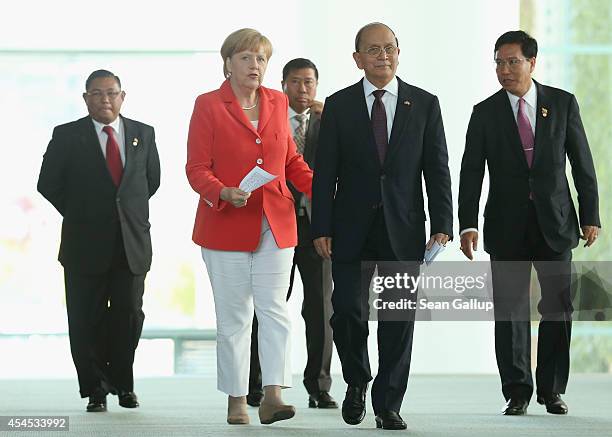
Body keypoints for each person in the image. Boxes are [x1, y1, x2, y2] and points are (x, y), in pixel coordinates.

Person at [311, 23, 453, 430]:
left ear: (398, 51)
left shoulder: (424, 104)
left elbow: (437, 168)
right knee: (347, 314)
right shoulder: (338, 105)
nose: (382, 56)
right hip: (349, 230)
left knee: (397, 322)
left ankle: (388, 403)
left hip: (403, 229)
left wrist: (443, 222)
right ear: (358, 59)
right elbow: (325, 174)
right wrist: (321, 225)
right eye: (372, 50)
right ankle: (356, 382)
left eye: (388, 48)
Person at [458, 30, 600, 416]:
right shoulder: (485, 112)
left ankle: (551, 390)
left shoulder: (562, 103)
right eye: (499, 63)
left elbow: (582, 165)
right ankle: (517, 391)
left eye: (513, 62)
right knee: (510, 310)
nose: (505, 70)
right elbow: (471, 172)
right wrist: (466, 223)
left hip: (555, 222)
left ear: (532, 62)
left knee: (558, 307)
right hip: (505, 226)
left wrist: (591, 216)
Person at [186, 28, 313, 425]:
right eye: (246, 58)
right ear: (227, 64)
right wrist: (221, 192)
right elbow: (195, 168)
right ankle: (236, 399)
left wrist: (323, 190)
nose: (254, 65)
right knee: (235, 317)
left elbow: (290, 161)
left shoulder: (277, 101)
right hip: (225, 223)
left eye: (260, 59)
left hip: (276, 220)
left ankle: (273, 395)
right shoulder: (208, 105)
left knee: (275, 308)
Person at [37, 69, 161, 412]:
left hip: (130, 242)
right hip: (84, 243)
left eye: (111, 93)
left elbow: (151, 181)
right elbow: (48, 183)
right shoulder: (67, 135)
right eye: (96, 93)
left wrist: (122, 214)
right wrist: (81, 212)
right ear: (85, 98)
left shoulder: (143, 133)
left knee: (129, 315)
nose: (105, 99)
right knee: (85, 317)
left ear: (122, 97)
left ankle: (123, 383)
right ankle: (95, 388)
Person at [247, 58, 337, 410]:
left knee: (320, 308)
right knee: (268, 307)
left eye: (309, 83)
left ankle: (319, 386)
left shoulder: (330, 120)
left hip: (318, 227)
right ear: (283, 85)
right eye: (296, 82)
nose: (303, 90)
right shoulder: (268, 120)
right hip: (274, 224)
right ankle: (257, 383)